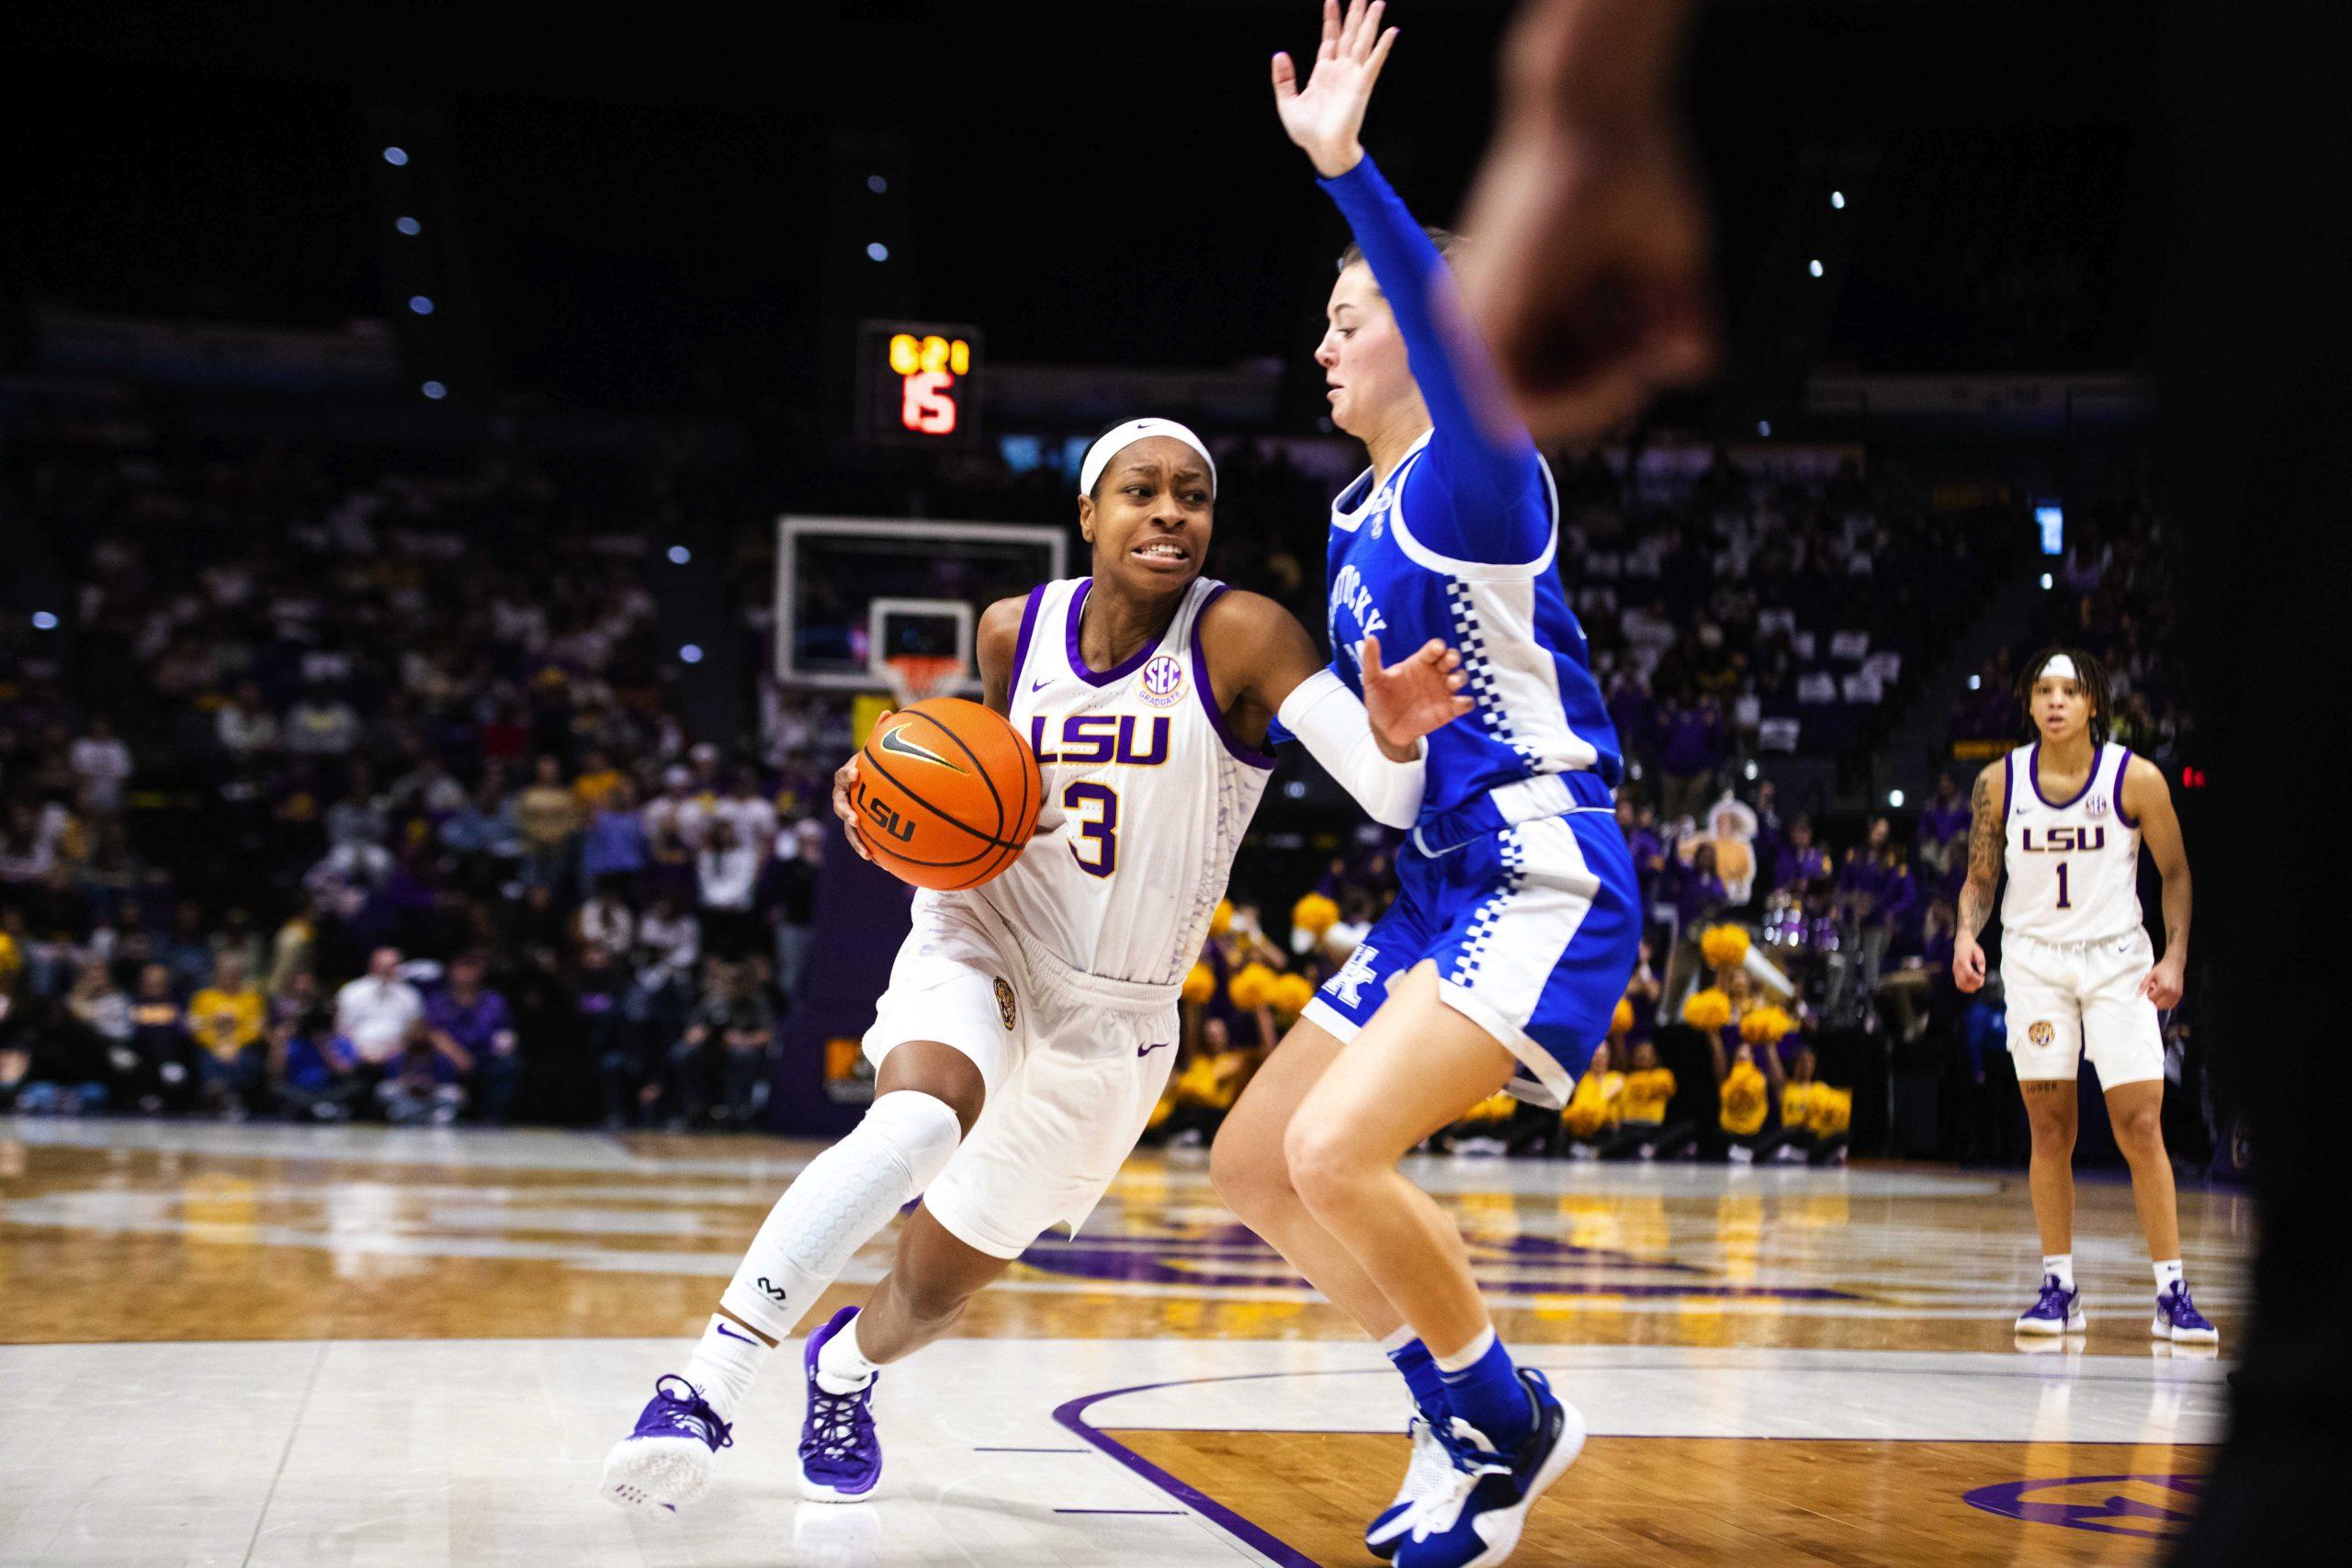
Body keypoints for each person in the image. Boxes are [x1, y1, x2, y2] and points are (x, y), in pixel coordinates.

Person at [600, 414, 1469, 1516]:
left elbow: (1390, 797)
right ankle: (704, 1386)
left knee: (929, 1290)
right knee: (915, 1122)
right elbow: (972, 788)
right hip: (985, 935)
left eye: (1192, 496)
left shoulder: (1242, 633)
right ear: (1087, 512)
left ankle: (843, 1367)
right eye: (1141, 491)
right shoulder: (1013, 632)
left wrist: (1398, 738)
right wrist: (884, 799)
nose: (1169, 513)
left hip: (1118, 1018)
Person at [1209, 9, 1642, 1562]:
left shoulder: (1478, 479)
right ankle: (1448, 1405)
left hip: (1539, 866)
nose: (1326, 344)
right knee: (1257, 1164)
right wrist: (1388, 740)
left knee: (1338, 1154)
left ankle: (1508, 1419)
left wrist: (1351, 176)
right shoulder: (1355, 521)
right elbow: (1400, 775)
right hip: (1438, 870)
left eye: (1351, 316)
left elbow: (1447, 319)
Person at [1952, 648, 2211, 1343]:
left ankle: (2173, 1291)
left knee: (2140, 1125)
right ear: (2029, 702)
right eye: (2043, 690)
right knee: (2050, 1128)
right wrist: (1964, 935)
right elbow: (1980, 878)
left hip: (2117, 962)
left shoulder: (2138, 778)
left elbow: (2177, 873)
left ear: (2093, 703)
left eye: (2069, 690)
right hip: (2035, 964)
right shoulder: (1998, 783)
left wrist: (2176, 955)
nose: (2056, 701)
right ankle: (2058, 1285)